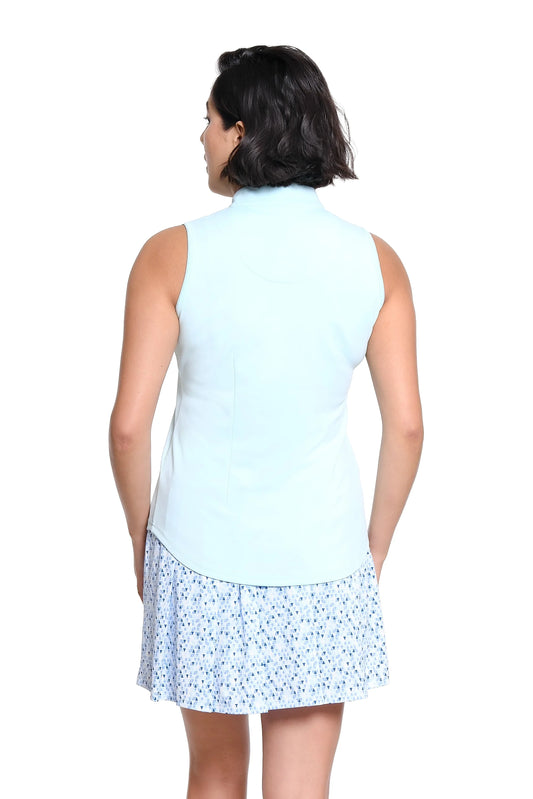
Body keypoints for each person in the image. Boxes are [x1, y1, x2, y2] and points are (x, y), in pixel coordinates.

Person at [109, 44, 423, 799]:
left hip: (195, 550)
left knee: (214, 775)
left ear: (241, 131)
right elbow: (408, 427)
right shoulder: (376, 262)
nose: (202, 137)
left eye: (209, 121)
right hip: (324, 558)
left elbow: (127, 427)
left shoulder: (171, 254)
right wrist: (373, 548)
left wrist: (141, 538)